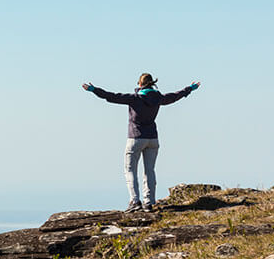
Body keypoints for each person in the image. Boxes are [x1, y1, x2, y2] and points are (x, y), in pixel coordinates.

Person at [82, 73, 200, 212]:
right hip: (152, 139)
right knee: (149, 171)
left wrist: (93, 90)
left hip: (136, 138)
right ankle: (148, 202)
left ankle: (135, 201)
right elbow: (175, 96)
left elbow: (112, 96)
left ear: (139, 84)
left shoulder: (135, 98)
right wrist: (189, 89)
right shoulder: (159, 98)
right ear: (152, 83)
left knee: (130, 170)